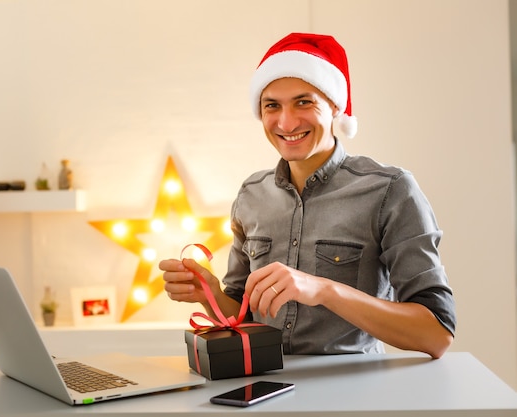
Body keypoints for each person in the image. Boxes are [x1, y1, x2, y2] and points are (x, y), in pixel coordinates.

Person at [159, 33, 456, 359]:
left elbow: (437, 333)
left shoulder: (390, 190)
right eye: (272, 105)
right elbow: (242, 319)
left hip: (354, 399)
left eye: (304, 102)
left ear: (334, 107)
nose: (286, 122)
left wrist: (324, 290)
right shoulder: (251, 195)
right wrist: (210, 294)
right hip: (264, 394)